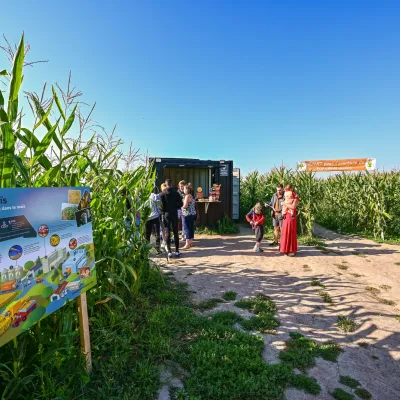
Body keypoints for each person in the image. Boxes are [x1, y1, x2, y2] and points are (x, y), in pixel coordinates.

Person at [159, 179, 183, 257]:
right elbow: (181, 203)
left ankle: (169, 251)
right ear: (171, 184)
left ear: (166, 184)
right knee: (176, 232)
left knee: (167, 231)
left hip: (166, 214)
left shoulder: (162, 194)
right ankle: (177, 250)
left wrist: (164, 210)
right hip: (174, 213)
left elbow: (161, 206)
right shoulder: (176, 193)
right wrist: (176, 207)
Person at [280, 184, 299, 257]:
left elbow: (293, 207)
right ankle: (285, 249)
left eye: (288, 189)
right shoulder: (287, 195)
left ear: (291, 189)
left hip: (291, 216)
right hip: (286, 216)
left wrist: (284, 203)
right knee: (285, 232)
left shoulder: (295, 197)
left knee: (290, 231)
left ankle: (292, 250)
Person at [145, 186, 161, 254]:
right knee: (157, 233)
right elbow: (159, 204)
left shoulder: (143, 196)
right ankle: (157, 249)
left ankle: (146, 249)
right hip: (155, 216)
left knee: (147, 233)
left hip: (147, 217)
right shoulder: (154, 196)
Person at [181, 183, 197, 249]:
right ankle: (191, 242)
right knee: (190, 228)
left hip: (187, 214)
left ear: (187, 189)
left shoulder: (187, 196)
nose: (183, 189)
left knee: (186, 228)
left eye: (184, 188)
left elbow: (185, 206)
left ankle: (187, 244)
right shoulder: (191, 196)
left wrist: (180, 207)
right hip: (192, 214)